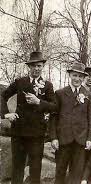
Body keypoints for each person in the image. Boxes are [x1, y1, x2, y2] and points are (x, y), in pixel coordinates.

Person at [1, 51, 55, 184]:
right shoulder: (20, 82)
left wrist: (39, 102)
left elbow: (54, 106)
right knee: (17, 168)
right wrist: (6, 114)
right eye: (34, 66)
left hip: (37, 134)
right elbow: (3, 96)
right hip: (19, 132)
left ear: (42, 67)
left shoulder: (47, 86)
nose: (37, 69)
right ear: (29, 67)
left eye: (39, 66)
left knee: (35, 169)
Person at [49, 61, 91, 184]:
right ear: (70, 75)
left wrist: (90, 139)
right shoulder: (60, 93)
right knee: (60, 172)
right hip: (63, 139)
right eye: (75, 75)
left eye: (80, 76)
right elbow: (53, 117)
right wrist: (53, 137)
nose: (77, 79)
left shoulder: (88, 95)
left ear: (83, 78)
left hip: (80, 140)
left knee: (76, 174)